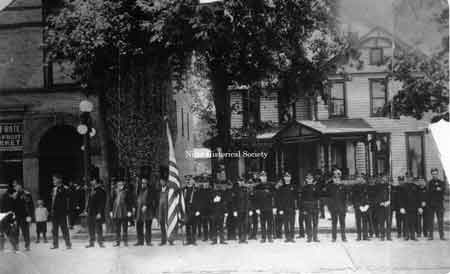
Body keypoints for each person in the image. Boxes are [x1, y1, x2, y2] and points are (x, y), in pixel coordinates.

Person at [50, 173, 72, 249]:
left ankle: (68, 244)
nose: (53, 181)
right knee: (54, 229)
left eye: (55, 179)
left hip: (62, 212)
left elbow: (68, 200)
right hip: (54, 212)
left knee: (64, 228)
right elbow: (53, 201)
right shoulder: (53, 189)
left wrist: (67, 211)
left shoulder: (65, 188)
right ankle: (55, 244)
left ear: (59, 180)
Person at [11, 180, 34, 251]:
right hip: (16, 216)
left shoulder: (27, 194)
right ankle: (16, 246)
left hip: (25, 216)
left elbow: (31, 206)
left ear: (20, 186)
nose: (15, 187)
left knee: (25, 232)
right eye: (14, 186)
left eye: (16, 185)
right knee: (15, 231)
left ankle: (27, 246)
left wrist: (30, 216)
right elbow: (12, 206)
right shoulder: (14, 195)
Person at [254, 171, 275, 243]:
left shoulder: (271, 185)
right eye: (262, 176)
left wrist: (274, 207)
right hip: (261, 208)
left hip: (269, 207)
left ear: (266, 177)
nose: (263, 178)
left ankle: (269, 237)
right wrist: (256, 208)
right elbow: (256, 198)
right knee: (262, 223)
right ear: (260, 177)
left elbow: (273, 195)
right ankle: (263, 237)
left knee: (270, 223)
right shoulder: (257, 186)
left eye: (265, 176)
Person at [111, 179, 133, 247]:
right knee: (117, 228)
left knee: (125, 228)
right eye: (119, 185)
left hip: (124, 211)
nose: (121, 186)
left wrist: (129, 211)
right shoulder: (114, 191)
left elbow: (129, 202)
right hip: (116, 212)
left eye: (122, 184)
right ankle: (117, 242)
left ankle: (125, 241)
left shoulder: (126, 192)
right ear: (117, 185)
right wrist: (111, 211)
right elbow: (111, 201)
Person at [327, 169, 348, 242]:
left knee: (342, 223)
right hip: (333, 208)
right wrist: (329, 207)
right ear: (333, 178)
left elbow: (345, 198)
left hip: (342, 208)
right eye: (335, 178)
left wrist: (345, 207)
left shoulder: (343, 187)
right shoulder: (330, 187)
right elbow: (328, 198)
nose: (336, 179)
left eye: (338, 178)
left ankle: (344, 237)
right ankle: (334, 237)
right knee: (334, 223)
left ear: (340, 178)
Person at [86, 177, 106, 248]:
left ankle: (100, 242)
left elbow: (102, 203)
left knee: (98, 227)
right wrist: (86, 210)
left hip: (97, 212)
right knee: (90, 227)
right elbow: (89, 201)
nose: (91, 182)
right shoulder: (92, 190)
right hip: (90, 212)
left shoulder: (101, 191)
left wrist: (99, 212)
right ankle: (91, 242)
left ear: (96, 182)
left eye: (93, 180)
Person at [300, 172, 320, 243]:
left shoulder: (316, 187)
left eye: (310, 178)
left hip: (314, 206)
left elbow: (318, 197)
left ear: (312, 179)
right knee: (308, 223)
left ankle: (315, 237)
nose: (309, 180)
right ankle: (309, 237)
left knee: (315, 223)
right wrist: (303, 209)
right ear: (306, 179)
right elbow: (302, 199)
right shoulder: (304, 188)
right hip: (307, 207)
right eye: (308, 178)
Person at [277, 172, 296, 243]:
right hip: (284, 208)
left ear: (290, 178)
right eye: (286, 177)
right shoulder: (281, 187)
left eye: (288, 177)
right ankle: (287, 237)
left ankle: (292, 237)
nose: (287, 178)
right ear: (284, 178)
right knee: (286, 223)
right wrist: (280, 209)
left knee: (292, 223)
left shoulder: (293, 186)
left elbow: (296, 197)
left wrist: (295, 207)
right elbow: (279, 199)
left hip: (292, 207)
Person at [427, 168, 446, 240]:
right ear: (431, 174)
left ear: (437, 174)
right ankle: (430, 236)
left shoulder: (441, 182)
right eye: (433, 174)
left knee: (440, 220)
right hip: (431, 204)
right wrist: (437, 189)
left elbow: (443, 191)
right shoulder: (429, 183)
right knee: (430, 221)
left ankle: (442, 235)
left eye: (436, 174)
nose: (434, 175)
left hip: (439, 204)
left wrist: (437, 190)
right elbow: (429, 192)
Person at [399, 174, 419, 241]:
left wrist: (419, 207)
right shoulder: (403, 187)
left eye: (410, 177)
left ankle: (413, 236)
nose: (409, 179)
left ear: (412, 178)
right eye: (408, 177)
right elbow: (401, 198)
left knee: (413, 222)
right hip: (406, 207)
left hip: (414, 208)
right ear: (406, 178)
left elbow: (418, 198)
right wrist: (401, 207)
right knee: (406, 222)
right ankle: (407, 236)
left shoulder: (415, 186)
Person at [351, 174, 370, 241]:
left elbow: (369, 196)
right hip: (358, 206)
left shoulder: (366, 186)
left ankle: (365, 236)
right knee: (358, 222)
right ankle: (359, 236)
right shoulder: (354, 187)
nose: (359, 179)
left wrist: (367, 205)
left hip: (365, 206)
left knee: (365, 221)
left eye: (361, 178)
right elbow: (353, 198)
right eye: (358, 178)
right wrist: (357, 206)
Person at [184, 177, 201, 245]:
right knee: (187, 226)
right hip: (186, 209)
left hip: (194, 209)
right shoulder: (184, 189)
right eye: (187, 181)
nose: (188, 182)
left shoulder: (196, 190)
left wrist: (198, 210)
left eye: (189, 180)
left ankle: (194, 240)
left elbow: (199, 201)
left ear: (192, 181)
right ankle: (188, 240)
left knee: (194, 226)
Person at [374, 174, 392, 241]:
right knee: (381, 222)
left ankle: (388, 236)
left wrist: (389, 201)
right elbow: (376, 196)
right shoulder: (378, 186)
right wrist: (380, 202)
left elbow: (392, 195)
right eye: (383, 178)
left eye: (385, 178)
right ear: (381, 179)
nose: (384, 179)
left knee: (388, 222)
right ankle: (382, 235)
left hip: (387, 206)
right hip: (381, 206)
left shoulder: (389, 186)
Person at [0, 186, 18, 251]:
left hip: (4, 218)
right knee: (6, 233)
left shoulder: (6, 198)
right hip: (4, 218)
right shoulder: (7, 198)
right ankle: (13, 247)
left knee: (5, 233)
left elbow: (10, 210)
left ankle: (2, 248)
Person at [233, 177, 250, 243]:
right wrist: (234, 210)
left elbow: (248, 200)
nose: (241, 182)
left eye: (242, 181)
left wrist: (249, 209)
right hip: (239, 209)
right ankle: (240, 238)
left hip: (245, 209)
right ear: (238, 182)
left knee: (245, 224)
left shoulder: (246, 189)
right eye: (240, 181)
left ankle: (244, 238)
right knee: (239, 224)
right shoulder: (236, 190)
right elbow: (234, 200)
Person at [158, 167, 171, 245]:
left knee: (168, 225)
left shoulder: (169, 190)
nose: (162, 182)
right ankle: (163, 240)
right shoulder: (159, 190)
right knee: (162, 226)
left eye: (163, 181)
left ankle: (170, 239)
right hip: (160, 211)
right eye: (161, 181)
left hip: (167, 210)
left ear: (166, 181)